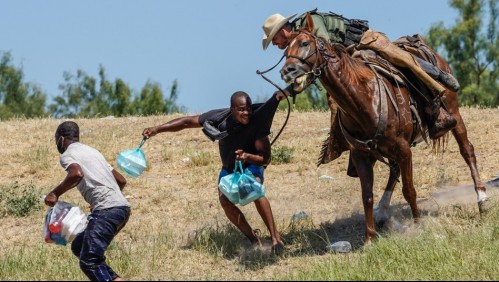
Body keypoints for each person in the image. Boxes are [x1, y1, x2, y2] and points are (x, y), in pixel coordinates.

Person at [261, 9, 460, 140]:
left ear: (283, 30)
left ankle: (436, 95)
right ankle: (346, 141)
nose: (276, 44)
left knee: (401, 62)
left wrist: (292, 88)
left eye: (275, 39)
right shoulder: (296, 46)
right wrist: (290, 90)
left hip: (363, 43)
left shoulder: (309, 23)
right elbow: (313, 69)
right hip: (347, 60)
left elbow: (325, 53)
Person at [142, 91, 285, 254]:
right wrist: (157, 129)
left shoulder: (257, 123)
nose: (247, 113)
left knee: (253, 189)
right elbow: (187, 122)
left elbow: (265, 159)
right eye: (242, 109)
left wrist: (246, 156)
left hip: (251, 164)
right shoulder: (219, 118)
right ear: (232, 109)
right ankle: (254, 240)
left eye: (249, 109)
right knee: (225, 201)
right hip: (229, 168)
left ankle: (275, 239)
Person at [44, 121, 131, 281]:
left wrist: (55, 193)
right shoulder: (93, 152)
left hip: (107, 211)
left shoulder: (68, 154)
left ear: (60, 139)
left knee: (89, 261)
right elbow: (121, 180)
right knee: (80, 246)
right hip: (122, 209)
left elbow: (76, 174)